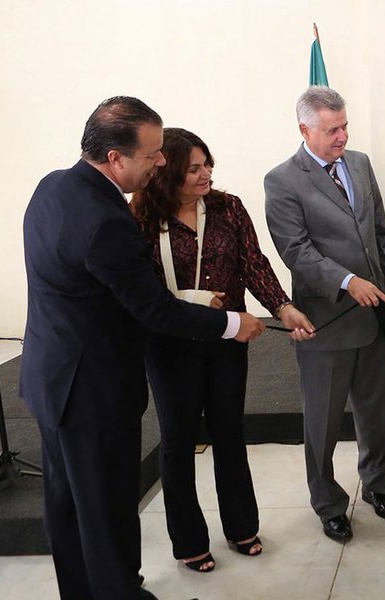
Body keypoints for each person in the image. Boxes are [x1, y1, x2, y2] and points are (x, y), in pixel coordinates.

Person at [20, 96, 264, 600]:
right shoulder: (108, 220)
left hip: (51, 376)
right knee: (107, 510)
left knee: (68, 508)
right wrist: (230, 323)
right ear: (115, 159)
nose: (160, 160)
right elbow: (155, 309)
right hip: (94, 391)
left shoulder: (52, 187)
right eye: (152, 153)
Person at [130, 128, 315, 572]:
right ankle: (189, 541)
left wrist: (282, 306)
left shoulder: (227, 208)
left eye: (207, 163)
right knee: (177, 441)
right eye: (192, 168)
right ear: (166, 172)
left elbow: (253, 262)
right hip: (170, 345)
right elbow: (142, 290)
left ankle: (241, 526)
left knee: (229, 432)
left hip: (228, 340)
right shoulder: (139, 219)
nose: (205, 173)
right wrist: (193, 303)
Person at [265, 86, 385, 544]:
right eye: (332, 130)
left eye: (345, 126)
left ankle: (378, 487)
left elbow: (379, 229)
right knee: (322, 424)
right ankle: (328, 504)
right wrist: (347, 282)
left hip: (374, 318)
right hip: (325, 321)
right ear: (305, 129)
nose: (342, 136)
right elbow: (296, 251)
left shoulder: (359, 163)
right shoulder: (282, 180)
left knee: (379, 416)